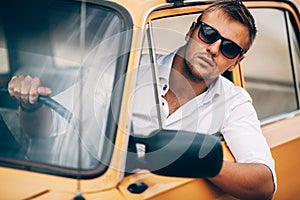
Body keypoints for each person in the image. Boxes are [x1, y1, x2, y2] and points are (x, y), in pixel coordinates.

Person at [8, 0, 276, 199]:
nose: (214, 48)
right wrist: (30, 104)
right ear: (191, 31)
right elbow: (50, 127)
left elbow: (263, 184)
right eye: (208, 34)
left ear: (236, 61)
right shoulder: (124, 70)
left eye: (229, 48)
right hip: (94, 187)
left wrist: (194, 160)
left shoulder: (234, 101)